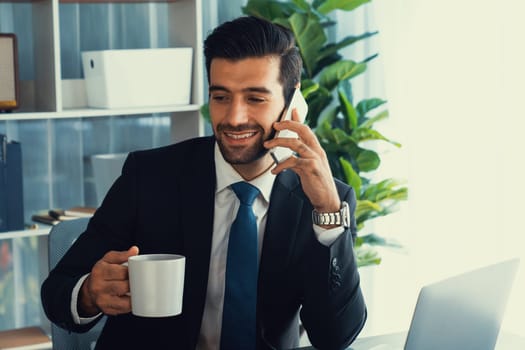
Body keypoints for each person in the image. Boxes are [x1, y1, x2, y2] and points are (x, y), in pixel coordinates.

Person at [41, 16, 366, 350]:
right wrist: (89, 294)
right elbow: (57, 292)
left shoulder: (324, 201)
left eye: (255, 98)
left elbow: (336, 337)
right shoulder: (149, 176)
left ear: (292, 104)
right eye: (221, 97)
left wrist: (327, 213)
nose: (234, 118)